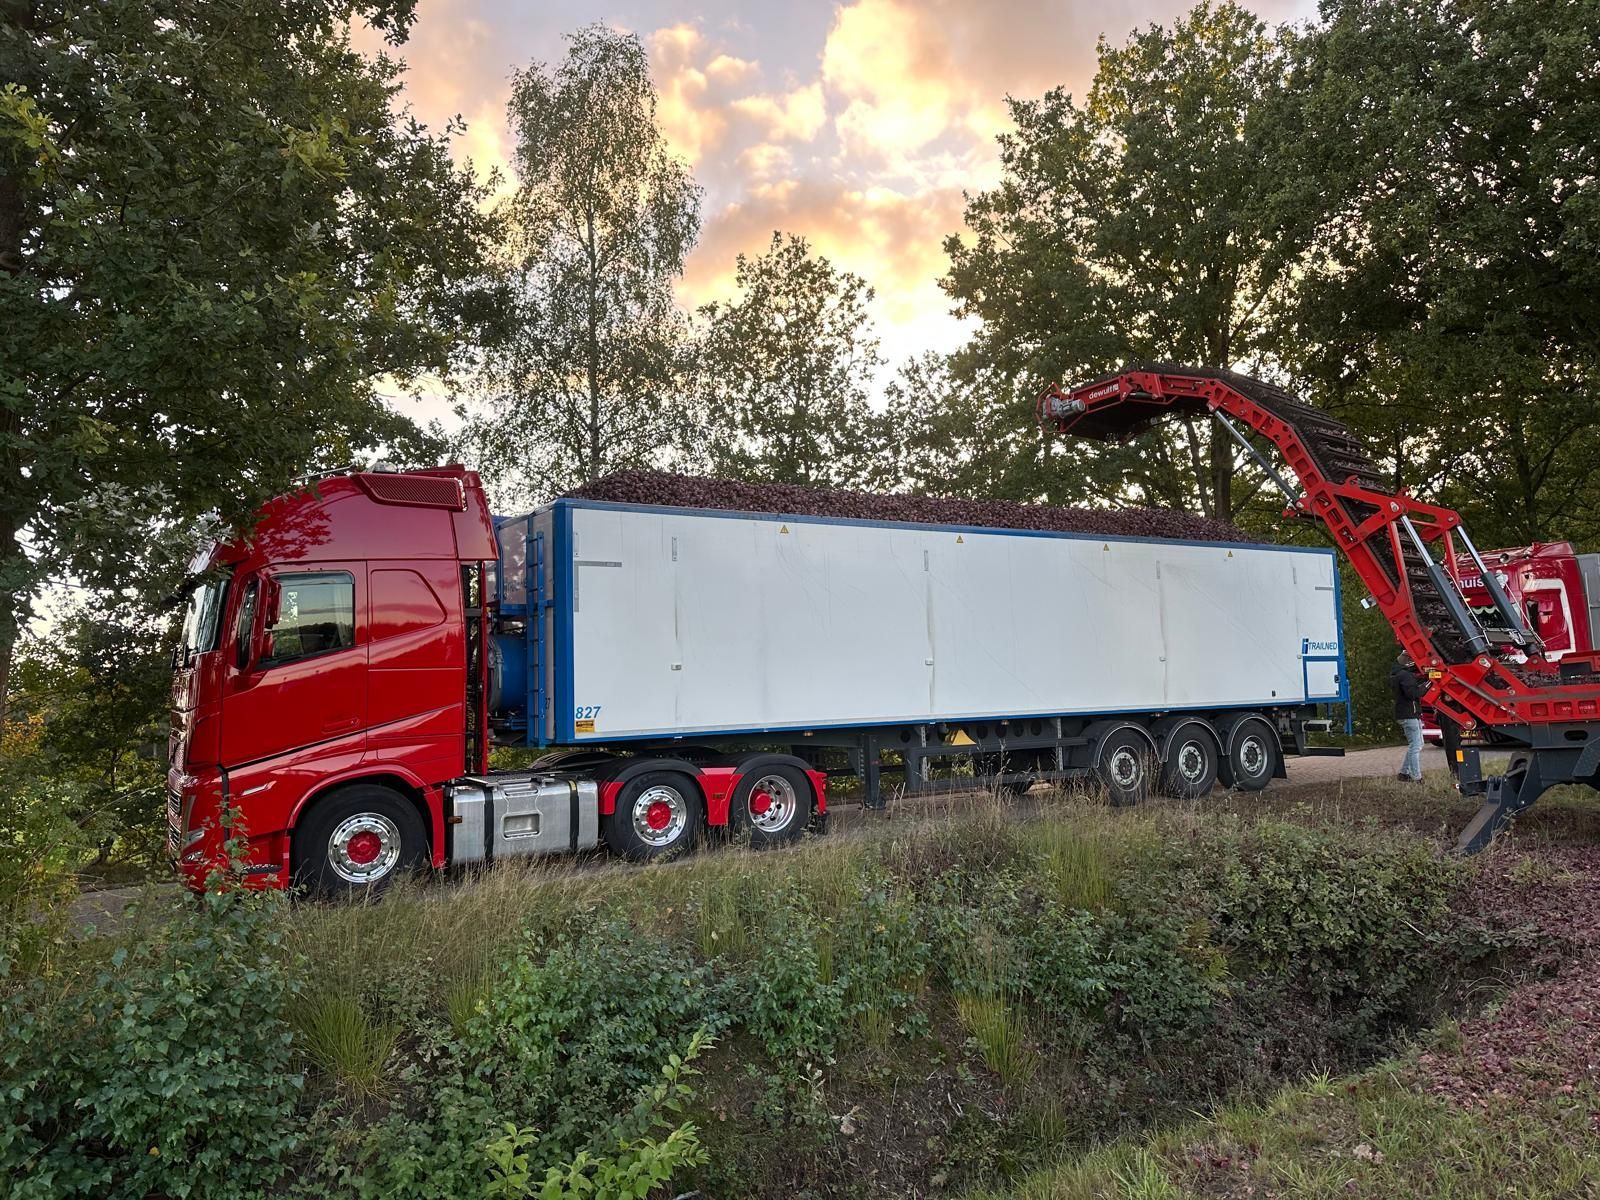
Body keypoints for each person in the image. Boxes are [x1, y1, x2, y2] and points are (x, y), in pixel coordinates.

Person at [1390, 652, 1427, 782]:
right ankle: (1417, 777)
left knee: (1416, 744)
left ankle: (1404, 773)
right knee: (1416, 746)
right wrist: (1427, 685)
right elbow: (1412, 694)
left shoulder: (1398, 675)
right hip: (1409, 714)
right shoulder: (1406, 676)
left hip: (1407, 714)